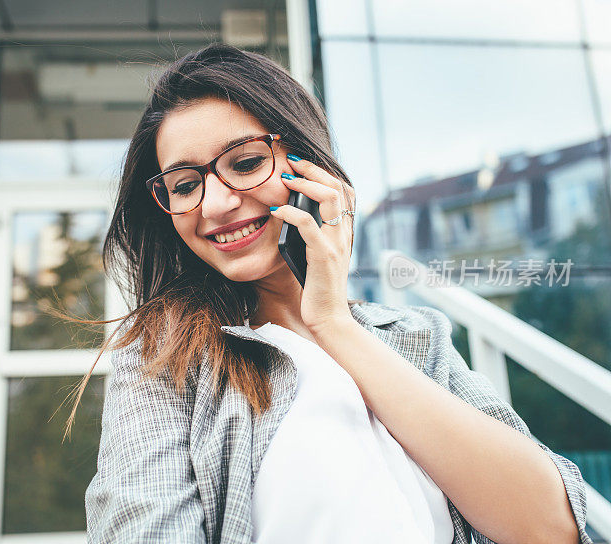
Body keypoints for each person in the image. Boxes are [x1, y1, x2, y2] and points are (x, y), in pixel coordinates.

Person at [57, 42, 591, 544]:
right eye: (185, 185)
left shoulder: (413, 337)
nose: (214, 204)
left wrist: (334, 324)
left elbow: (550, 528)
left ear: (310, 167)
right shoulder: (165, 359)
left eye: (244, 163)